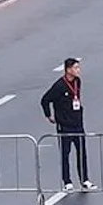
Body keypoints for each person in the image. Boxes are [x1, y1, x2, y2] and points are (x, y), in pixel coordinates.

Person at [40, 55, 93, 191]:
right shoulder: (59, 86)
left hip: (77, 123)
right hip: (64, 125)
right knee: (65, 153)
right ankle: (67, 181)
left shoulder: (77, 82)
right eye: (75, 68)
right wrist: (49, 115)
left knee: (82, 152)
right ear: (68, 70)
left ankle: (84, 179)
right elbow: (45, 99)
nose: (78, 70)